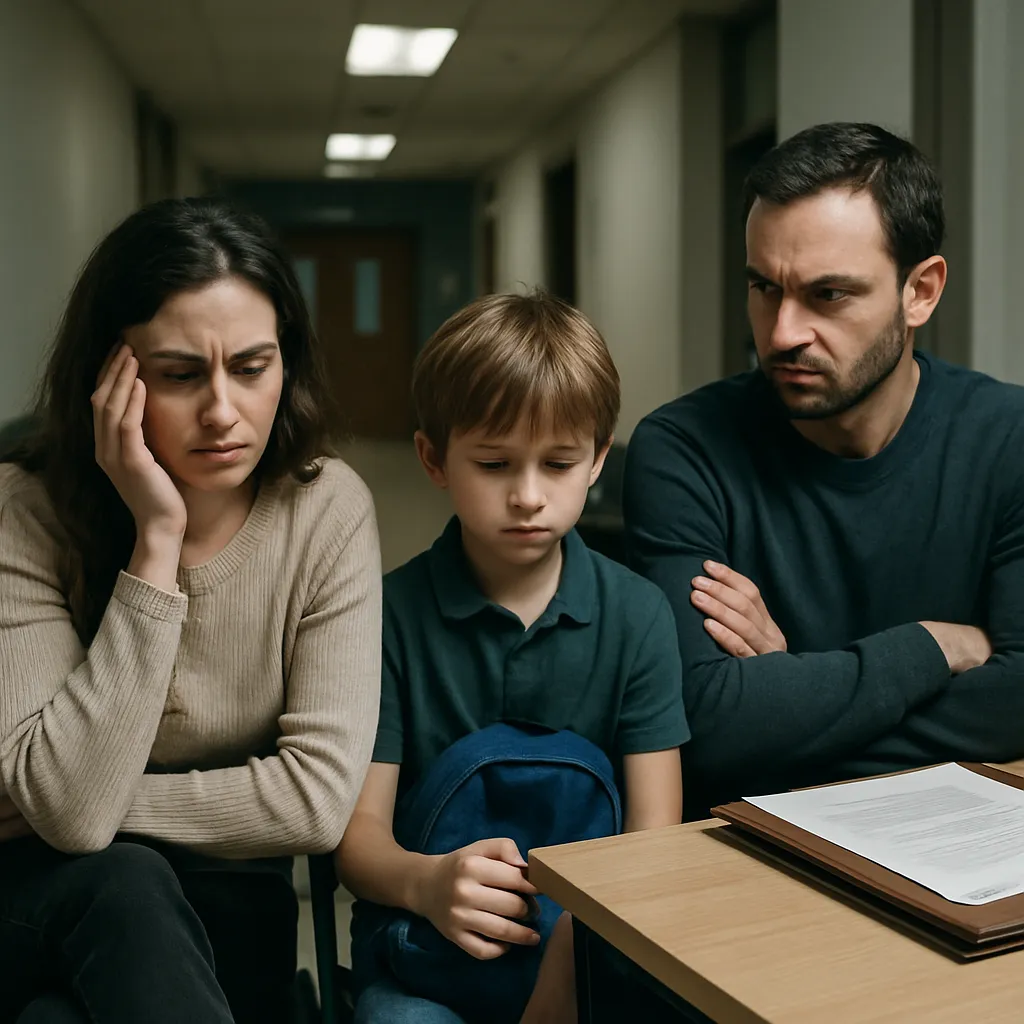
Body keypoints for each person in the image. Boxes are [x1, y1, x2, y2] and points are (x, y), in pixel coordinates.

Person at [0, 198, 382, 1023]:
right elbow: (67, 811)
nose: (222, 410)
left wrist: (78, 803)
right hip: (40, 901)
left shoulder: (327, 510)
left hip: (228, 912)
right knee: (123, 883)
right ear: (110, 378)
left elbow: (316, 801)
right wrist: (157, 537)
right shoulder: (25, 510)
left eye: (251, 367)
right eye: (179, 375)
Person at [623, 121, 1024, 817]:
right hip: (751, 857)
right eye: (763, 288)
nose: (782, 333)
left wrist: (787, 688)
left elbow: (1017, 706)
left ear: (921, 291)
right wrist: (928, 648)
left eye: (828, 295)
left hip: (958, 848)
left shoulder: (1010, 440)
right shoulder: (683, 449)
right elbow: (704, 728)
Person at [336, 292, 689, 1023]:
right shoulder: (388, 616)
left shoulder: (637, 617)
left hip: (592, 949)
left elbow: (656, 848)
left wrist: (570, 961)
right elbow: (358, 841)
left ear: (597, 458)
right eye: (494, 463)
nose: (528, 496)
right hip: (423, 956)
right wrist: (429, 883)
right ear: (433, 458)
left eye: (558, 462)